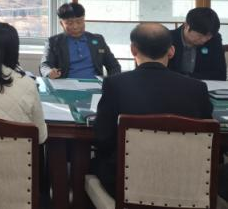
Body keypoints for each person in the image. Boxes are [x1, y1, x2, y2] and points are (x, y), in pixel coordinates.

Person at [91, 23, 213, 196]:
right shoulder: (197, 88)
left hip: (127, 183)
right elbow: (208, 138)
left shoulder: (115, 84)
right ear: (171, 51)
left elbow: (103, 138)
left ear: (133, 50)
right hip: (185, 184)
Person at [40, 2, 120, 79]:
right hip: (65, 85)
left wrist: (111, 83)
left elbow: (114, 66)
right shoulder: (53, 42)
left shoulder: (98, 40)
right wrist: (49, 72)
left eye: (79, 22)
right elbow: (44, 65)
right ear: (61, 24)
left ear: (84, 20)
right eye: (70, 23)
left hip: (95, 85)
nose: (75, 26)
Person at [168, 7, 226, 80]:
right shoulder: (168, 38)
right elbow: (162, 71)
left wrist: (189, 78)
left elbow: (220, 74)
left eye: (209, 36)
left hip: (203, 85)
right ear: (186, 26)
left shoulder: (215, 39)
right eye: (200, 35)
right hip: (173, 83)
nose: (204, 40)